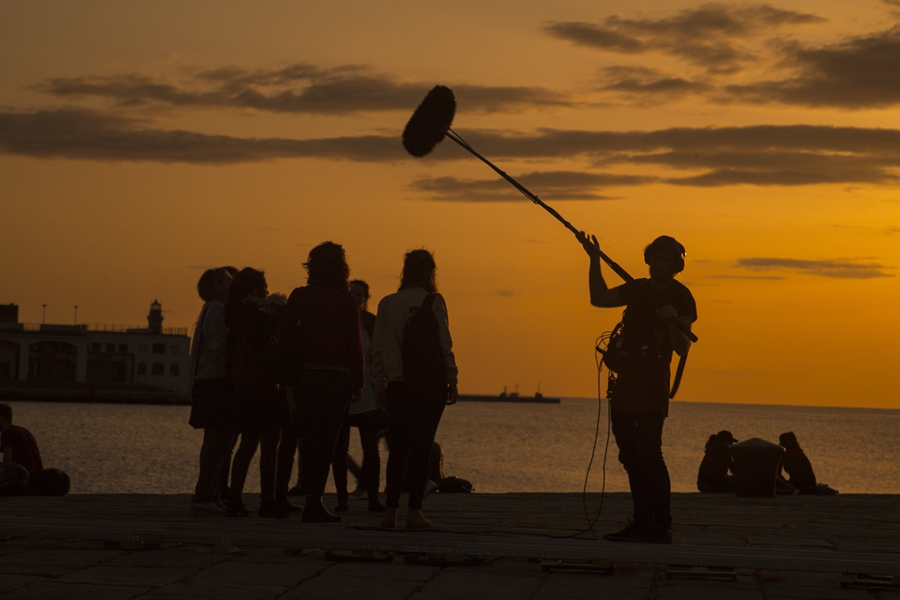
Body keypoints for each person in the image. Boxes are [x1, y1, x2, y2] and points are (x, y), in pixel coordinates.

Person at [576, 232, 696, 544]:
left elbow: (683, 347)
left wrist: (671, 319)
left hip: (652, 385)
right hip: (625, 383)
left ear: (676, 265)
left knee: (650, 454)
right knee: (629, 455)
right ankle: (642, 520)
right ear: (649, 259)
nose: (659, 263)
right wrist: (593, 260)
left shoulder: (682, 297)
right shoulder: (637, 289)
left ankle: (660, 524)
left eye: (666, 259)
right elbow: (599, 298)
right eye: (655, 257)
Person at [274, 241, 364, 523]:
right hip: (337, 378)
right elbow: (354, 344)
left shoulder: (300, 296)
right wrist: (358, 381)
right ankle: (314, 501)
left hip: (305, 377)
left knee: (307, 440)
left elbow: (281, 335)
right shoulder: (347, 300)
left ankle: (294, 497)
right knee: (327, 442)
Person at [372, 249, 458, 530]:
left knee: (399, 450)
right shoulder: (434, 301)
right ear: (429, 272)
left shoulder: (387, 303)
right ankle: (414, 513)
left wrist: (379, 386)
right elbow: (445, 345)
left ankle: (390, 512)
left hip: (398, 383)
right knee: (422, 448)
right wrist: (452, 379)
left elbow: (377, 351)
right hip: (430, 384)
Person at [224, 268, 289, 518]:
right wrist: (266, 303)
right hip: (267, 386)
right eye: (263, 288)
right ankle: (267, 500)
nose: (266, 291)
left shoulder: (233, 315)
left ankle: (234, 498)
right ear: (255, 290)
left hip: (243, 387)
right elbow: (288, 313)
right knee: (270, 446)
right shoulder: (261, 316)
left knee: (247, 444)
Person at [331, 279, 386, 513]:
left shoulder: (373, 323)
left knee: (370, 449)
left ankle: (373, 498)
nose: (355, 298)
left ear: (366, 298)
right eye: (351, 293)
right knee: (339, 449)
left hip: (368, 393)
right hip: (342, 393)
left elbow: (381, 356)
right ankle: (342, 499)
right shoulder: (335, 322)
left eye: (360, 295)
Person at [189, 267, 234, 515]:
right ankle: (204, 493)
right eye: (227, 281)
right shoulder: (216, 309)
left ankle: (209, 493)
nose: (231, 284)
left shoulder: (210, 309)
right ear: (217, 285)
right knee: (218, 441)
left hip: (208, 380)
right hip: (215, 381)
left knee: (216, 441)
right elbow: (220, 346)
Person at [0, 403, 43, 495]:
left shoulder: (7, 433)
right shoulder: (23, 431)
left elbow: (7, 462)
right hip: (37, 478)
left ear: (1, 419)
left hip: (23, 479)